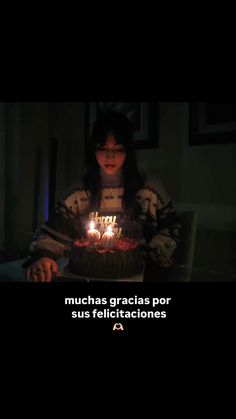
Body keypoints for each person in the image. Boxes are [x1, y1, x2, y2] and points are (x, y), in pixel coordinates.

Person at [23, 110, 181, 282]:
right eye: (103, 148)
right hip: (84, 277)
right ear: (93, 150)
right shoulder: (78, 193)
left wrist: (156, 253)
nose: (110, 156)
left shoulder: (148, 190)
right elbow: (51, 234)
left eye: (118, 149)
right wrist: (44, 256)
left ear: (128, 151)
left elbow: (171, 227)